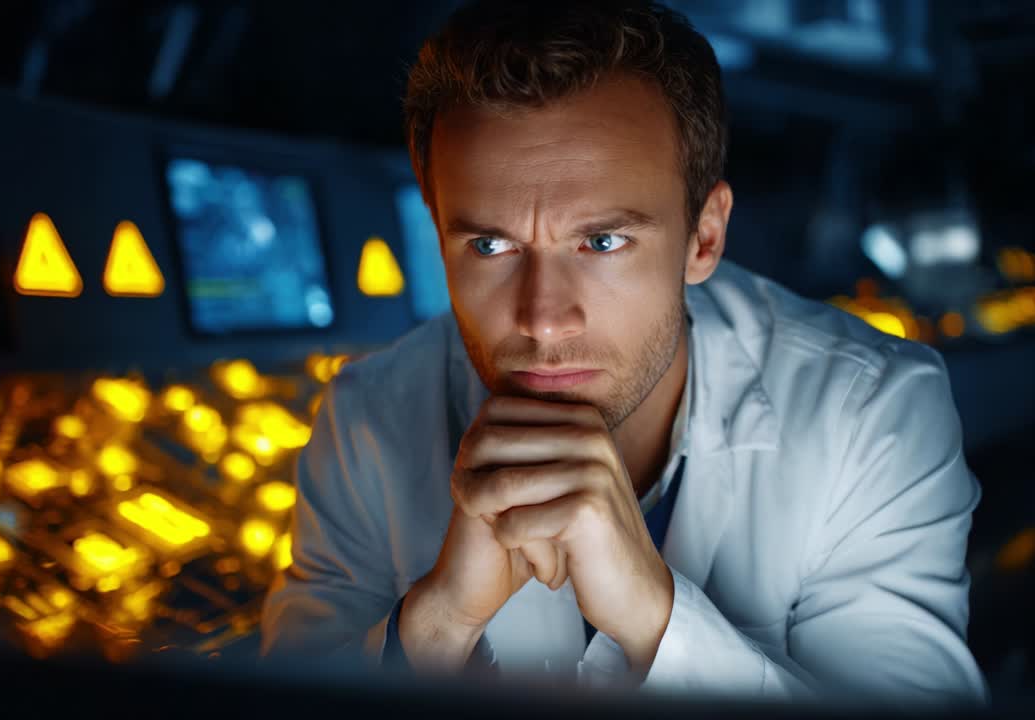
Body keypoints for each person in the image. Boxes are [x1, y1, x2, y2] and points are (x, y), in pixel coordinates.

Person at [261, 0, 986, 708]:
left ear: (704, 237)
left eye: (603, 242)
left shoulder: (872, 413)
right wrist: (434, 624)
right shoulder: (365, 419)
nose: (543, 322)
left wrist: (654, 618)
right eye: (489, 245)